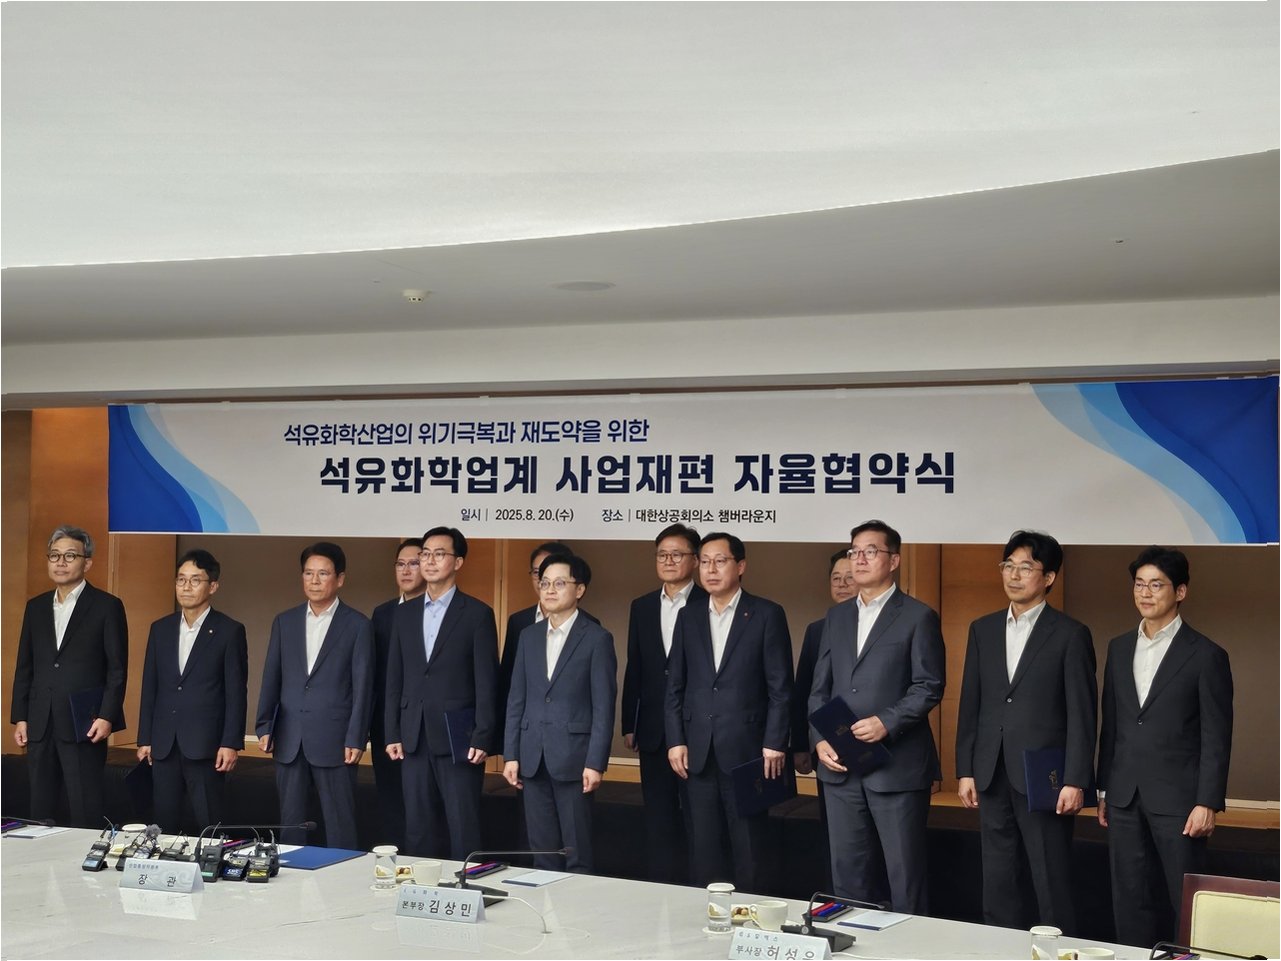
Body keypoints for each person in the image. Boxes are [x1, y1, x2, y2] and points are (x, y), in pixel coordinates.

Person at [955, 530, 1096, 933]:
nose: (1014, 575)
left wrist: (1075, 779)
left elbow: (1083, 714)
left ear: (1048, 577)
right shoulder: (982, 629)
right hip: (991, 769)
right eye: (1008, 566)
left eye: (1026, 568)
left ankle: (1058, 950)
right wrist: (966, 769)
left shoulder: (1070, 634)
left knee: (1050, 877)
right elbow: (971, 703)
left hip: (1044, 775)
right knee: (998, 876)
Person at [1097, 546, 1233, 949]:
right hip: (1123, 794)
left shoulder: (1206, 655)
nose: (1145, 593)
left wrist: (1207, 802)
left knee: (1185, 900)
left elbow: (1216, 735)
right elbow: (1112, 724)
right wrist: (1103, 789)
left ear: (1181, 592)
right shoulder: (1119, 647)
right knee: (1129, 897)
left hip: (1180, 800)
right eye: (1139, 584)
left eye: (1156, 585)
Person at [810, 519, 945, 915]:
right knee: (847, 874)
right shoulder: (836, 617)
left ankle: (910, 944)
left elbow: (929, 685)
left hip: (896, 767)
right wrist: (819, 739)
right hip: (840, 767)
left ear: (894, 561)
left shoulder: (918, 616)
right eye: (855, 552)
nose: (860, 559)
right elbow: (819, 689)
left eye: (871, 551)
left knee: (905, 876)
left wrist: (887, 721)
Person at [665, 532, 793, 892]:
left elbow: (781, 687)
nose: (711, 569)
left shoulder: (766, 614)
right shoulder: (688, 616)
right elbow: (675, 685)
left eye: (720, 561)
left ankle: (751, 913)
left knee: (750, 847)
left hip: (750, 751)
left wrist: (775, 742)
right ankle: (706, 917)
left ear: (740, 566)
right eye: (704, 561)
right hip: (697, 750)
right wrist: (676, 740)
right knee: (703, 848)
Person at [385, 527, 499, 859]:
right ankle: (420, 885)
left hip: (458, 736)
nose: (429, 561)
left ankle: (466, 882)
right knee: (417, 825)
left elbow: (486, 681)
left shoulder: (477, 614)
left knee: (463, 823)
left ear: (458, 562)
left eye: (439, 554)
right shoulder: (403, 614)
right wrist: (393, 731)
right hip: (413, 733)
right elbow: (394, 677)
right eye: (425, 554)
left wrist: (482, 735)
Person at [503, 553, 616, 873]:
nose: (550, 590)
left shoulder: (597, 638)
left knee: (577, 852)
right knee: (542, 851)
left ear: (579, 590)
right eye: (544, 583)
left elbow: (603, 706)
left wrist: (595, 762)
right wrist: (511, 754)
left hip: (574, 759)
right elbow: (516, 699)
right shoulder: (528, 636)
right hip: (532, 756)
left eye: (559, 583)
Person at [255, 542, 372, 849]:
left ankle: (343, 874)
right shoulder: (285, 621)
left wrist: (356, 737)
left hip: (335, 739)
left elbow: (363, 686)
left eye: (323, 573)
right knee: (290, 821)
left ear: (340, 579)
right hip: (289, 736)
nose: (315, 580)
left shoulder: (358, 625)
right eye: (308, 573)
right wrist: (265, 725)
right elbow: (271, 677)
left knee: (339, 822)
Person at [10, 525, 128, 827]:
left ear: (87, 563)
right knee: (40, 809)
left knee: (85, 807)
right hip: (40, 721)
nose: (60, 562)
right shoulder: (35, 607)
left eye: (70, 556)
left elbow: (117, 669)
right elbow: (25, 666)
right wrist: (20, 716)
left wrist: (107, 715)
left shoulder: (107, 606)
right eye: (54, 555)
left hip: (84, 723)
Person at [137, 549, 248, 834]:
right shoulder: (160, 629)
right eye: (181, 579)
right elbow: (150, 686)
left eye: (195, 580)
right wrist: (145, 737)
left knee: (211, 824)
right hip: (164, 743)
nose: (186, 587)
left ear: (213, 586)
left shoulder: (229, 631)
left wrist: (230, 742)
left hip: (206, 744)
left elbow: (236, 692)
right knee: (163, 824)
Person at [621, 523, 705, 884]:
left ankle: (697, 886)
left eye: (677, 554)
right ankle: (662, 887)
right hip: (654, 728)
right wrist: (630, 722)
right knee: (658, 817)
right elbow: (635, 666)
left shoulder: (709, 602)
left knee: (699, 818)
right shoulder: (641, 606)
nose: (669, 561)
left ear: (695, 560)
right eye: (662, 555)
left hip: (698, 728)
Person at [368, 537, 425, 849]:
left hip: (423, 724)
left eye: (414, 563)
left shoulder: (437, 614)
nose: (406, 570)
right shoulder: (382, 613)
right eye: (400, 564)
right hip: (386, 724)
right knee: (390, 801)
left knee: (423, 806)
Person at [792, 548, 858, 776]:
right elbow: (803, 690)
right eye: (836, 578)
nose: (842, 584)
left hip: (871, 733)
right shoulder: (817, 630)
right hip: (827, 740)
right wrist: (801, 745)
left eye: (849, 578)